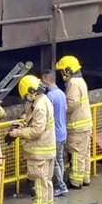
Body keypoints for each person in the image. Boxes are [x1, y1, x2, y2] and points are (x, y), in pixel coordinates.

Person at [8, 74, 56, 204]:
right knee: (46, 180)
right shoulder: (43, 100)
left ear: (30, 91)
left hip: (38, 152)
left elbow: (36, 131)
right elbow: (35, 124)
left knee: (38, 182)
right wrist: (24, 123)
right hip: (47, 150)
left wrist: (17, 132)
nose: (26, 99)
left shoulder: (39, 106)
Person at [56, 55, 93, 188]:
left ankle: (75, 181)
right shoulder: (81, 81)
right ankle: (85, 178)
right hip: (86, 124)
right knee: (84, 153)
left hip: (77, 125)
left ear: (68, 70)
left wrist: (59, 109)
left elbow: (71, 103)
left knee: (76, 153)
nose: (61, 74)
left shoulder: (73, 83)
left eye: (61, 71)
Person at [41, 67, 69, 197]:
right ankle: (61, 183)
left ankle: (61, 186)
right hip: (63, 132)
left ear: (46, 80)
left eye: (42, 81)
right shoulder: (62, 94)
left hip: (55, 134)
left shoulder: (49, 97)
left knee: (56, 162)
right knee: (60, 160)